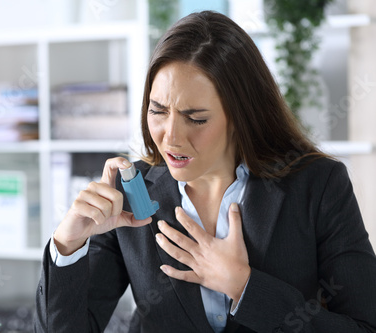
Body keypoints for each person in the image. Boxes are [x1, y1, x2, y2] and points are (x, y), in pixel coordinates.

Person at [34, 10, 376, 333]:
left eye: (196, 118)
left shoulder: (318, 185)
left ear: (241, 115)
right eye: (157, 111)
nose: (171, 137)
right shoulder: (132, 191)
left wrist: (244, 285)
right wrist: (68, 242)